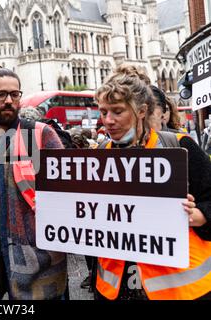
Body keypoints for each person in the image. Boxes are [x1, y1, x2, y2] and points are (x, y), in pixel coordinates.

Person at [95, 65, 211, 300]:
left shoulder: (180, 146)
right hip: (116, 289)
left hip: (180, 289)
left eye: (117, 111)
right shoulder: (101, 153)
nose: (108, 120)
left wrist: (200, 215)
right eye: (103, 111)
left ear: (140, 111)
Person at [0, 67, 68, 300]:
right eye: (1, 94)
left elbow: (66, 197)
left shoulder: (42, 134)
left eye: (15, 94)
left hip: (44, 263)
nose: (9, 100)